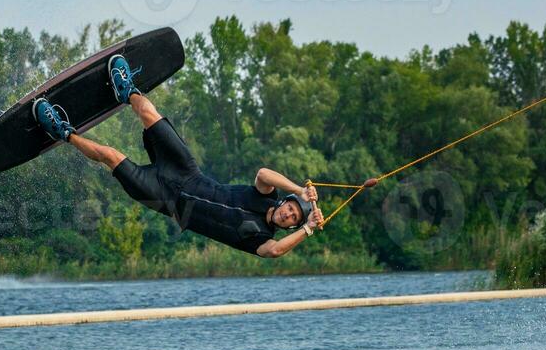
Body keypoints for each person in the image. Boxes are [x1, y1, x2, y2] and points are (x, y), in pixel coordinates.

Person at [31, 54, 326, 258]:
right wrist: (299, 189)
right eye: (291, 210)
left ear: (290, 227)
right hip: (186, 171)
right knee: (149, 113)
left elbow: (275, 252)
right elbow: (263, 173)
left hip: (164, 199)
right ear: (285, 203)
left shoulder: (261, 239)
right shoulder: (266, 196)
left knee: (109, 155)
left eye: (293, 220)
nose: (289, 216)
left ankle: (63, 132)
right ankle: (127, 91)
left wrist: (309, 229)